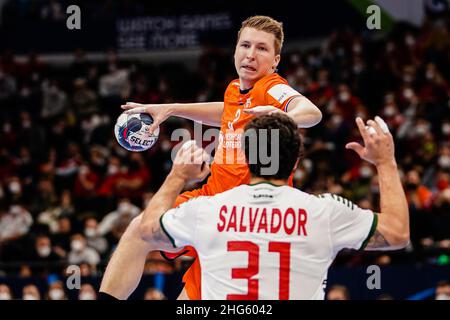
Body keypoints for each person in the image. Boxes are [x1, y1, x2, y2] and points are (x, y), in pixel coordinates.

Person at [100, 15, 322, 300]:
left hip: (246, 216)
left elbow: (311, 112)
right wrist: (171, 108)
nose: (251, 55)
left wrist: (285, 116)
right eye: (245, 45)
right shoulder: (235, 90)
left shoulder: (271, 88)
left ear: (276, 60)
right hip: (211, 198)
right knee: (139, 230)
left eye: (262, 49)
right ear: (235, 50)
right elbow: (225, 112)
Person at [138, 113, 409, 299]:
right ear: (295, 163)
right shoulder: (325, 211)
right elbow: (397, 234)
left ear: (244, 157)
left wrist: (177, 177)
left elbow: (148, 229)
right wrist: (385, 163)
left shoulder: (207, 209)